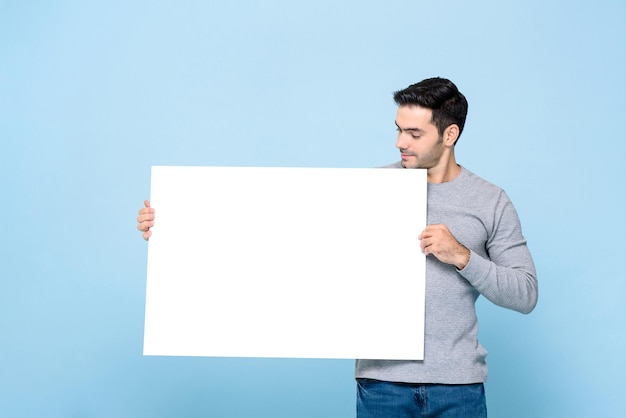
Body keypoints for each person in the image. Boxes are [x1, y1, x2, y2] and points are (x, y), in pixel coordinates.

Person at [136, 77, 538, 417]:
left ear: (450, 134)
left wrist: (463, 257)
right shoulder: (369, 190)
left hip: (459, 389)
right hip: (382, 385)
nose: (401, 142)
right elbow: (278, 242)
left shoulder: (490, 200)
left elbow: (525, 294)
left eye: (415, 133)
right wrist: (177, 229)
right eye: (398, 129)